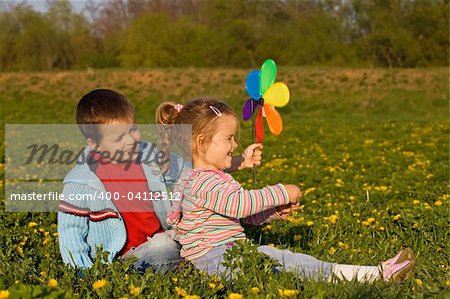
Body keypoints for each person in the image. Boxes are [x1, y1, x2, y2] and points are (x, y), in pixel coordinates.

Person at [156, 98, 416, 282]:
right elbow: (240, 205)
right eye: (229, 138)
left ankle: (370, 273)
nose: (235, 144)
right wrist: (281, 191)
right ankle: (372, 275)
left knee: (286, 261)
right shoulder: (203, 182)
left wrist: (272, 212)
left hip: (222, 256)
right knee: (286, 262)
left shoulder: (208, 177)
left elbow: (240, 216)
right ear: (202, 142)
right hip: (215, 261)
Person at [58, 89, 261, 273]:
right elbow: (71, 232)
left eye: (133, 129)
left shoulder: (147, 156)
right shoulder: (82, 181)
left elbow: (193, 170)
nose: (131, 140)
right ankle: (199, 262)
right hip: (124, 259)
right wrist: (82, 271)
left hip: (164, 238)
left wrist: (239, 162)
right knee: (163, 248)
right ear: (94, 144)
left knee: (184, 236)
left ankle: (214, 256)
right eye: (119, 138)